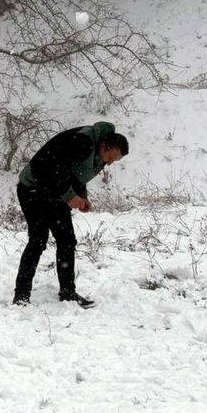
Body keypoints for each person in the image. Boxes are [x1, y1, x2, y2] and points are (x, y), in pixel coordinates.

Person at [13, 122, 129, 308]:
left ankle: (68, 293)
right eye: (110, 157)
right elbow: (52, 170)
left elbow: (76, 173)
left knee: (66, 240)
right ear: (103, 146)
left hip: (55, 191)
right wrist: (70, 196)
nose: (109, 163)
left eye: (114, 161)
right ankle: (21, 295)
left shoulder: (98, 152)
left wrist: (82, 196)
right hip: (32, 188)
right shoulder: (82, 142)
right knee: (38, 240)